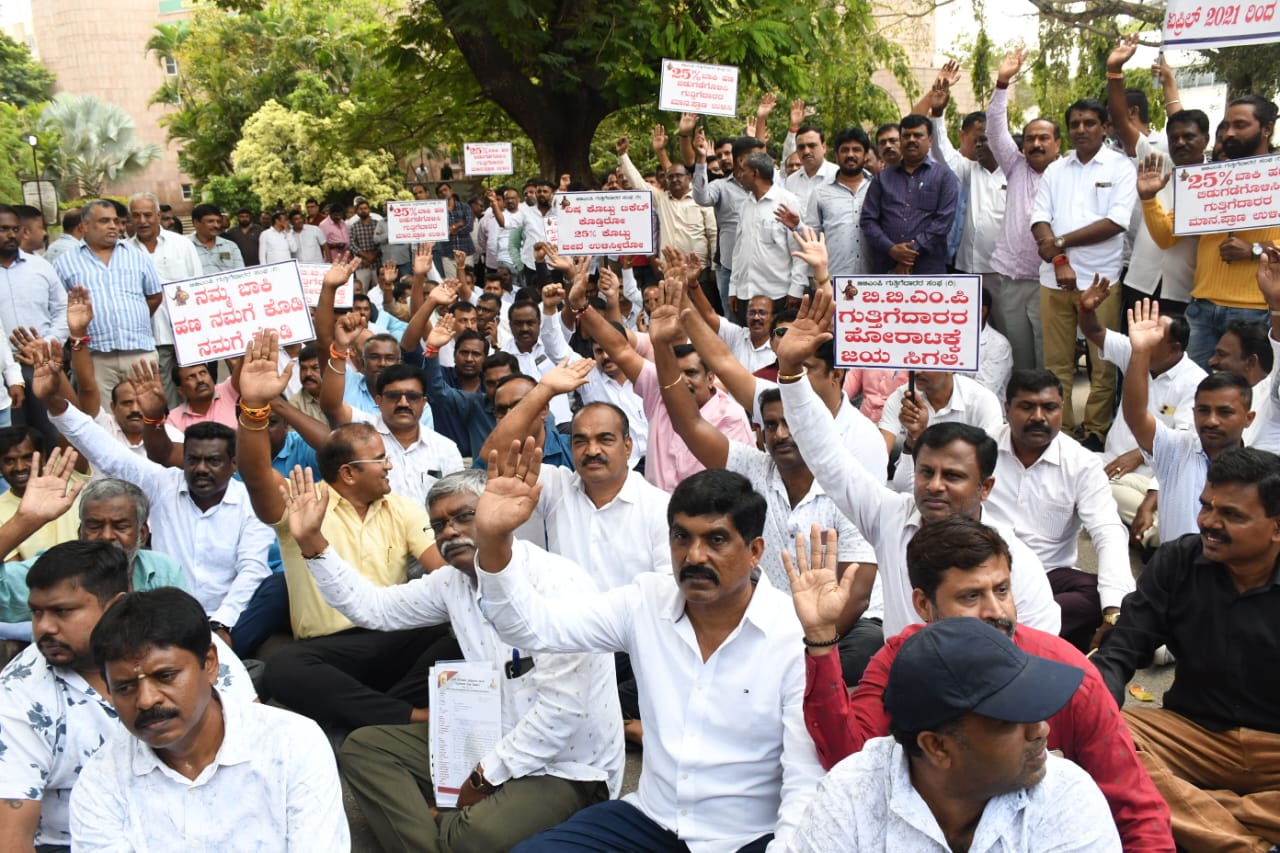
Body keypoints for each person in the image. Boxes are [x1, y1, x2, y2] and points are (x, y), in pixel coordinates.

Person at [474, 446, 825, 852]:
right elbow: (532, 628)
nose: (694, 556)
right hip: (651, 821)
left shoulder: (792, 633)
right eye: (682, 537)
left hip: (746, 835)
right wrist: (494, 539)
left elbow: (804, 779)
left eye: (716, 540)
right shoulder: (645, 601)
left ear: (754, 551)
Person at [283, 467, 624, 852]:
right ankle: (443, 836)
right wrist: (313, 542)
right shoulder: (453, 582)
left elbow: (562, 712)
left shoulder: (558, 583)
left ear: (498, 516)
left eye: (464, 516)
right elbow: (374, 609)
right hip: (490, 736)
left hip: (567, 766)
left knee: (473, 836)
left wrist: (482, 779)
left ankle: (445, 833)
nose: (449, 532)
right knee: (365, 748)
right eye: (438, 524)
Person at [792, 516, 1172, 849]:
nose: (996, 611)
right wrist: (823, 639)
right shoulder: (901, 662)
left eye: (1002, 590)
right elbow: (852, 760)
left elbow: (1137, 813)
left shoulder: (1069, 678)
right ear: (924, 606)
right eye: (971, 596)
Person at [776, 287, 1060, 638]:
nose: (935, 485)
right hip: (897, 685)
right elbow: (827, 457)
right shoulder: (890, 517)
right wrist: (790, 371)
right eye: (926, 471)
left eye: (953, 476)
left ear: (985, 487)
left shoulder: (1015, 562)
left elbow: (1041, 648)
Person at [236, 328, 450, 731]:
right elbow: (254, 473)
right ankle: (408, 716)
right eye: (380, 460)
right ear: (348, 473)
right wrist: (253, 408)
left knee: (453, 627)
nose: (390, 467)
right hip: (328, 650)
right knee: (283, 667)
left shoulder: (401, 507)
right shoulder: (301, 505)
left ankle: (364, 709)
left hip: (392, 636)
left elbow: (440, 570)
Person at [0, 541, 253, 851]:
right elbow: (11, 839)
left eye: (62, 611)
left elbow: (260, 742)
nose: (44, 628)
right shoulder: (17, 694)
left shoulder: (188, 643)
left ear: (114, 606)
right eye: (37, 612)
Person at [788, 617, 1121, 852]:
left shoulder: (1066, 799)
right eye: (1009, 720)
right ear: (936, 747)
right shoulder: (851, 796)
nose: (1041, 729)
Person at [1092, 447, 1280, 852]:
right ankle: (1251, 843)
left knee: (1127, 785)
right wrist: (1097, 704)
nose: (1209, 522)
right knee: (1098, 739)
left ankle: (1198, 812)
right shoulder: (1178, 560)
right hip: (1193, 734)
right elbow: (1122, 649)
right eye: (1206, 507)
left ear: (1277, 528)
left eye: (1232, 514)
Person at [35, 341, 275, 654]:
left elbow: (252, 570)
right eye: (193, 460)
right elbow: (105, 451)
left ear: (232, 465)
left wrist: (220, 626)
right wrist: (55, 403)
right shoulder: (163, 484)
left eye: (213, 461)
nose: (200, 469)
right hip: (163, 620)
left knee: (273, 591)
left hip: (231, 621)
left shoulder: (250, 502)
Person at [69, 587, 348, 850]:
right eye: (125, 687)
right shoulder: (102, 780)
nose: (145, 700)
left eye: (165, 676)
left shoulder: (292, 744)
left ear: (211, 663)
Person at [985, 369, 1134, 651]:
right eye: (1027, 407)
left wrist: (1114, 609)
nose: (1039, 417)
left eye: (1049, 407)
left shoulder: (1082, 464)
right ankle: (1029, 638)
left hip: (1049, 576)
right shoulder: (981, 449)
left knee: (1097, 594)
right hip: (982, 572)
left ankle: (1001, 634)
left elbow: (1108, 531)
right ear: (1007, 409)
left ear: (1061, 409)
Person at [1138, 94, 1280, 368]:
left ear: (1266, 128)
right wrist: (1148, 199)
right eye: (1225, 125)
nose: (1229, 133)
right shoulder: (1208, 180)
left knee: (1250, 396)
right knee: (1195, 393)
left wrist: (1254, 250)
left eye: (1240, 125)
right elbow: (1166, 237)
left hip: (1255, 310)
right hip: (1202, 307)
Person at [1031, 98, 1138, 449]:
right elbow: (1039, 219)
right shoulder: (1055, 170)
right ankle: (1063, 431)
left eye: (1089, 123)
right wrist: (1060, 261)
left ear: (1105, 127)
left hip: (1101, 281)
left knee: (1103, 363)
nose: (1081, 130)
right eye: (1075, 124)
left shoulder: (1120, 167)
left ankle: (1096, 431)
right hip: (1054, 281)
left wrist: (1059, 242)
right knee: (1056, 364)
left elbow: (1115, 222)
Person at [1121, 299, 1260, 541]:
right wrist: (1141, 352)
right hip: (1176, 574)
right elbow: (1136, 416)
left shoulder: (1261, 471)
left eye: (1225, 412)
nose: (1212, 421)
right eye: (1203, 411)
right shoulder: (1177, 449)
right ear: (1193, 413)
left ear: (1248, 418)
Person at [0, 466, 191, 626]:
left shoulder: (164, 571)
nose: (106, 536)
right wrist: (23, 521)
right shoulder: (54, 568)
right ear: (80, 532)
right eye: (94, 526)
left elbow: (184, 633)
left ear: (142, 534)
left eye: (120, 526)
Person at [988, 49, 1061, 371]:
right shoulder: (1016, 167)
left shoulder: (1068, 172)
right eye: (1030, 138)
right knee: (1019, 356)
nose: (1036, 144)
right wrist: (1003, 82)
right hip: (1013, 279)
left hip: (1052, 279)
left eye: (1044, 138)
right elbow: (994, 130)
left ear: (1058, 144)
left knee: (1049, 356)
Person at [52, 199, 163, 409]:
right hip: (95, 357)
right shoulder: (64, 263)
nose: (113, 226)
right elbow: (59, 309)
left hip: (139, 352)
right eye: (104, 221)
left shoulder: (138, 257)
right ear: (84, 226)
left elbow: (154, 296)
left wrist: (130, 320)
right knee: (102, 420)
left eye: (115, 221)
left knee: (148, 412)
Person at [860, 114, 959, 275]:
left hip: (929, 269)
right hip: (887, 267)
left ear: (930, 140)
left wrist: (908, 254)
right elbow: (868, 220)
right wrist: (892, 249)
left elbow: (943, 223)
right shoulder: (882, 178)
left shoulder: (944, 177)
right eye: (906, 136)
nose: (912, 140)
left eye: (918, 135)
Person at [730, 152, 808, 313]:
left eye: (743, 170)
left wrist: (796, 289)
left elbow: (799, 249)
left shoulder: (787, 201)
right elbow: (738, 250)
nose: (739, 175)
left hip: (778, 295)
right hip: (746, 295)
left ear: (755, 173)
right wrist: (733, 289)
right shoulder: (746, 204)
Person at [189, 202, 245, 275]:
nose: (216, 225)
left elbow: (241, 274)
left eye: (218, 221)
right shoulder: (185, 247)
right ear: (196, 223)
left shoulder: (231, 246)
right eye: (210, 221)